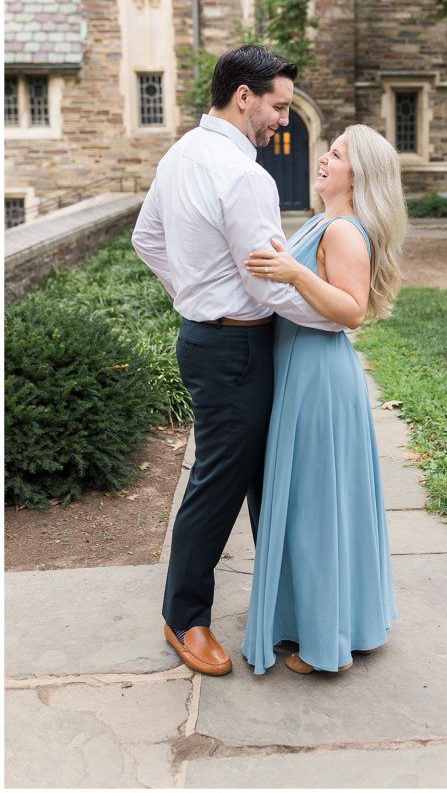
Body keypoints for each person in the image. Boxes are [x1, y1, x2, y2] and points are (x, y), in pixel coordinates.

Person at [131, 45, 345, 678]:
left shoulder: (180, 155)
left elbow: (148, 240)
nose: (284, 118)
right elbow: (270, 286)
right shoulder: (245, 175)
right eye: (278, 106)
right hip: (237, 348)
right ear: (245, 97)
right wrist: (335, 315)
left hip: (207, 340)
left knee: (260, 476)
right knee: (222, 483)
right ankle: (185, 616)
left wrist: (194, 296)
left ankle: (278, 610)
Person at [240, 123, 407, 674]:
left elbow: (351, 310)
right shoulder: (323, 221)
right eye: (328, 150)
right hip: (300, 366)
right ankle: (325, 617)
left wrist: (291, 271)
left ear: (359, 176)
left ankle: (323, 638)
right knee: (315, 501)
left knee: (315, 505)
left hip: (318, 373)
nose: (323, 159)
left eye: (336, 154)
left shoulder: (344, 232)